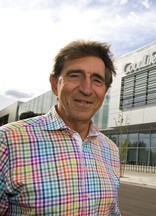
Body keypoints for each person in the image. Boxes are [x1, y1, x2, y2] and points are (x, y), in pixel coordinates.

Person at [0, 40, 121, 215]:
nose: (87, 89)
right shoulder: (7, 141)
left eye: (97, 80)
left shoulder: (111, 150)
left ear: (104, 91)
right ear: (55, 84)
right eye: (75, 75)